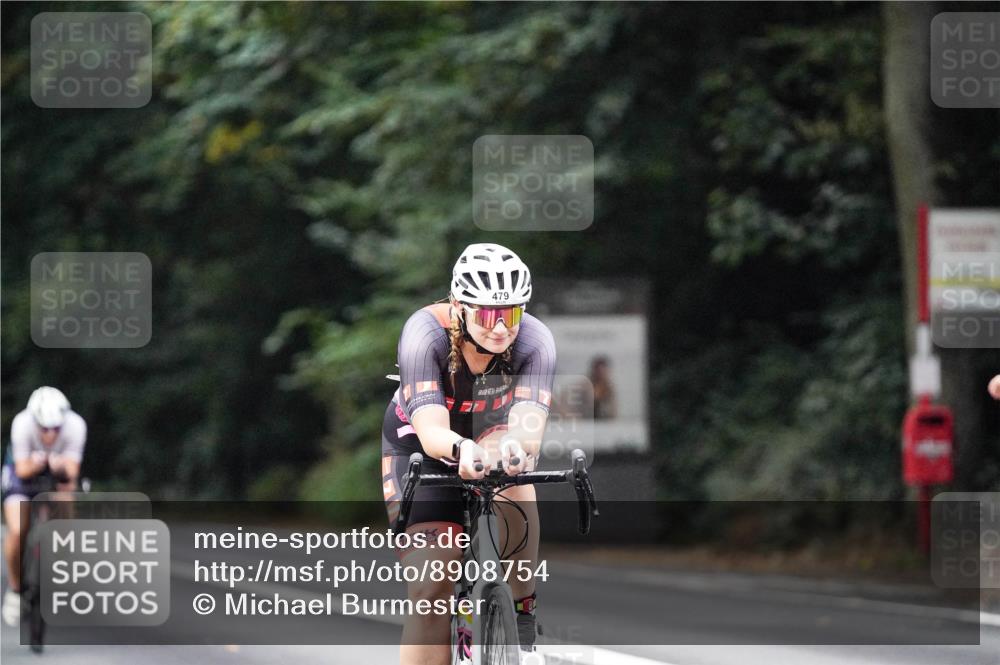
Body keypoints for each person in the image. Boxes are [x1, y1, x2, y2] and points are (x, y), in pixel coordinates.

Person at [381, 243, 555, 664]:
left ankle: (522, 611)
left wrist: (519, 449)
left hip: (493, 429)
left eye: (511, 313)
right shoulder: (425, 334)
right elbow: (433, 433)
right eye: (487, 314)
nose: (500, 327)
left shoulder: (535, 341)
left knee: (516, 477)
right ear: (459, 306)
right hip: (422, 440)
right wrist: (461, 448)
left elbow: (528, 426)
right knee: (429, 590)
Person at [2, 387, 86, 627]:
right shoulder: (22, 423)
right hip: (23, 474)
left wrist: (57, 466)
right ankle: (16, 590)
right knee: (18, 531)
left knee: (66, 500)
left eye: (56, 429)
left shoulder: (76, 425)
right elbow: (22, 470)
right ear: (35, 421)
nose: (50, 434)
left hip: (55, 473)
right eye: (44, 428)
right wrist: (39, 463)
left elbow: (71, 473)